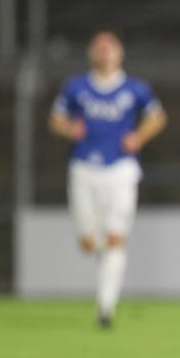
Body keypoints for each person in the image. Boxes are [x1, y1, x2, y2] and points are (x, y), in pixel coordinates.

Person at [49, 30, 167, 328]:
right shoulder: (75, 88)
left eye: (109, 47)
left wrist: (138, 137)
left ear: (120, 53)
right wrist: (68, 130)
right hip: (83, 168)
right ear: (91, 53)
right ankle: (105, 262)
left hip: (121, 169)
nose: (104, 51)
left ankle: (105, 308)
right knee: (89, 242)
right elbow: (56, 119)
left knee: (115, 238)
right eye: (99, 47)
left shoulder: (136, 89)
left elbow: (157, 117)